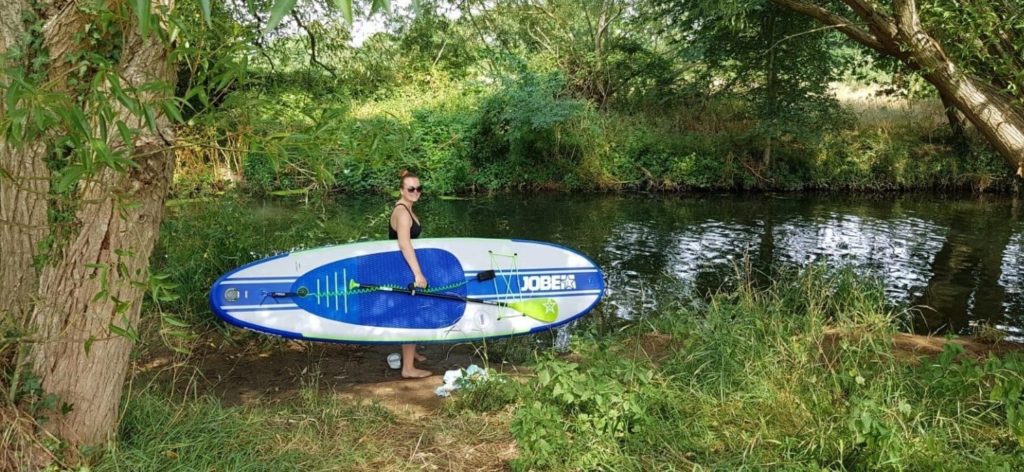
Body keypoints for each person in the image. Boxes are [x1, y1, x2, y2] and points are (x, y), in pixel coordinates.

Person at [390, 170, 432, 378]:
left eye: (418, 188)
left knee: (411, 308)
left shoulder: (407, 208)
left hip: (403, 265)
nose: (416, 192)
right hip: (403, 267)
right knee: (411, 313)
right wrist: (418, 274)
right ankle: (408, 369)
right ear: (402, 190)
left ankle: (411, 355)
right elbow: (404, 243)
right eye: (411, 189)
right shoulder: (402, 212)